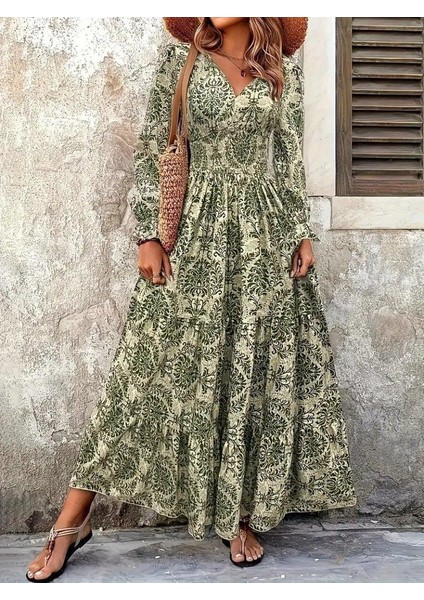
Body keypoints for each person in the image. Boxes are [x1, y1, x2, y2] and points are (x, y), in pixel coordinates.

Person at [26, 17, 357, 582]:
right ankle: (71, 520)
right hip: (194, 231)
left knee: (249, 369)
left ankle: (237, 516)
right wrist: (149, 235)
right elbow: (154, 147)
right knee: (142, 370)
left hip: (263, 238)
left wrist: (301, 232)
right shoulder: (180, 63)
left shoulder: (282, 73)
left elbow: (287, 162)